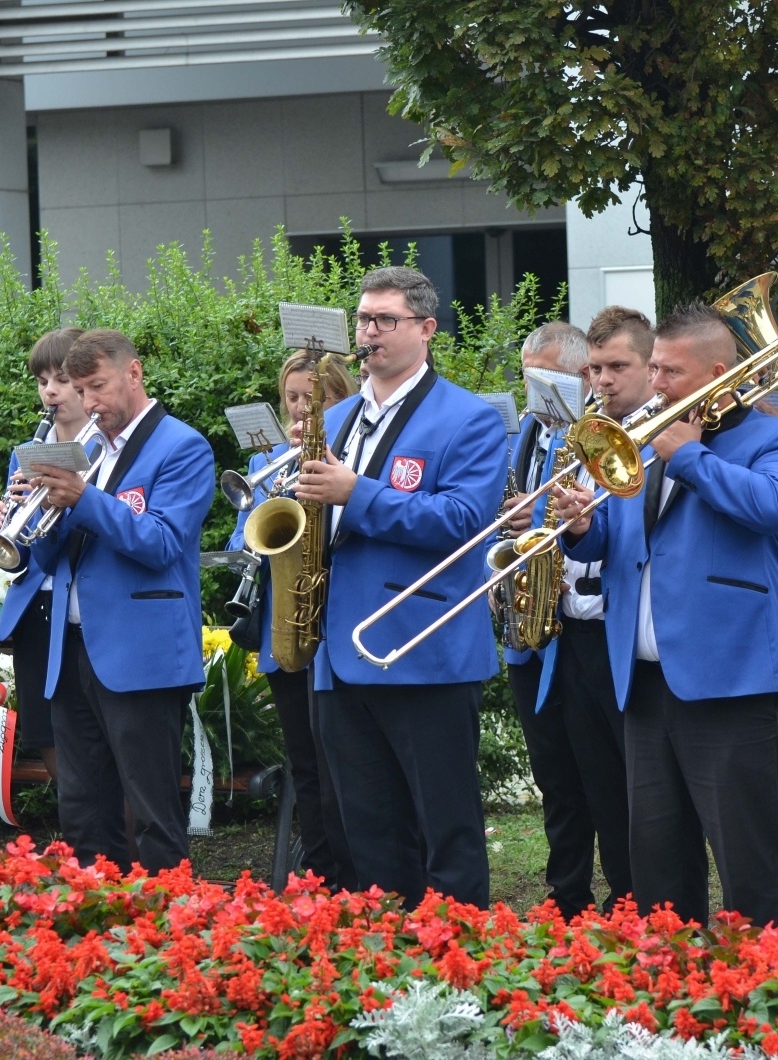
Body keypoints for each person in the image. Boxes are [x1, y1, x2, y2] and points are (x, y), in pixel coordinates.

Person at [553, 301, 778, 927]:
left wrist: (692, 455)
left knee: (747, 859)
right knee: (658, 864)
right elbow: (621, 544)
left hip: (730, 676)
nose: (658, 383)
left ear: (716, 372)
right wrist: (583, 528)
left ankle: (763, 991)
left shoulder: (776, 434)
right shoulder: (643, 437)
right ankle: (672, 994)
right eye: (657, 370)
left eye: (670, 371)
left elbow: (775, 508)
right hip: (643, 681)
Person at [296, 265, 507, 907]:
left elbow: (465, 523)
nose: (370, 333)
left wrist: (356, 493)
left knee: (447, 830)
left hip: (424, 647)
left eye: (386, 320)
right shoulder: (336, 419)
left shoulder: (469, 419)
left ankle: (460, 956)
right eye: (363, 319)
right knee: (367, 829)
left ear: (427, 329)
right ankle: (388, 956)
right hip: (341, 650)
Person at [25, 328, 216, 872]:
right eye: (80, 391)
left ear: (133, 373)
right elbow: (54, 558)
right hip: (74, 646)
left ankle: (167, 929)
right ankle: (98, 925)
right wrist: (28, 527)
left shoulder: (181, 446)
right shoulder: (88, 449)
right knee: (83, 806)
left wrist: (83, 498)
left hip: (142, 653)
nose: (89, 403)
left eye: (97, 387)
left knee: (152, 809)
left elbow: (160, 542)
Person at [530, 307, 658, 916]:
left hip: (622, 629)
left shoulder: (660, 437)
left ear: (650, 369)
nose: (602, 381)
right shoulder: (574, 437)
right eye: (596, 369)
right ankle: (611, 899)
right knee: (592, 778)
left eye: (616, 368)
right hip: (573, 630)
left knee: (636, 783)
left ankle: (640, 897)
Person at [227, 349, 358, 888]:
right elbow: (243, 538)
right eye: (293, 400)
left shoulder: (348, 457)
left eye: (314, 399)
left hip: (334, 623)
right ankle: (321, 875)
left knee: (342, 765)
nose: (301, 412)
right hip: (286, 625)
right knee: (304, 763)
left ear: (339, 401)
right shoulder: (269, 462)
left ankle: (356, 873)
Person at [498, 320, 600, 918]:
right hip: (531, 626)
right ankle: (567, 893)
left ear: (582, 376)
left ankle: (624, 894)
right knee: (554, 776)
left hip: (585, 623)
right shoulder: (531, 432)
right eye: (528, 376)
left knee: (597, 772)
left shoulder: (599, 433)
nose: (534, 391)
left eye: (545, 377)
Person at [0, 326, 89, 786]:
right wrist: (4, 529)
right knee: (45, 735)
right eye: (42, 380)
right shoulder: (26, 451)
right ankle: (79, 842)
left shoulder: (101, 449)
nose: (50, 390)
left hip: (83, 609)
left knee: (97, 753)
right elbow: (26, 554)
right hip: (37, 610)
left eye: (62, 379)